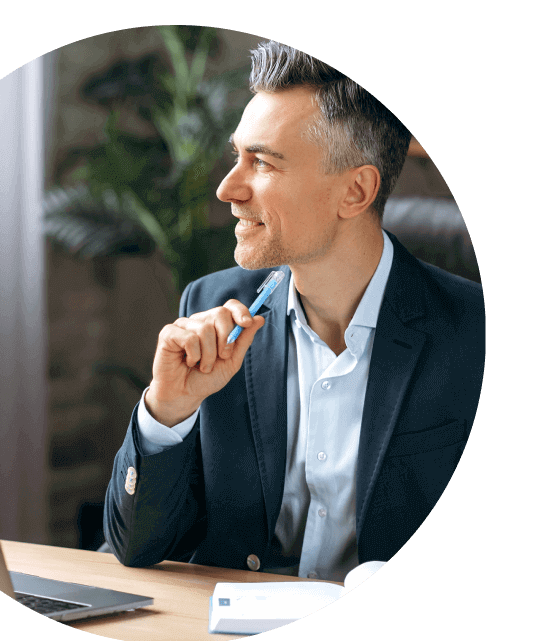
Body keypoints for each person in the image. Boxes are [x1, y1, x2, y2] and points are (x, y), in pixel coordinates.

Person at [103, 42, 485, 582]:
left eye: (261, 162)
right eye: (237, 156)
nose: (227, 188)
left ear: (356, 191)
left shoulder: (472, 334)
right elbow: (136, 548)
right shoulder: (210, 309)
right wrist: (167, 411)